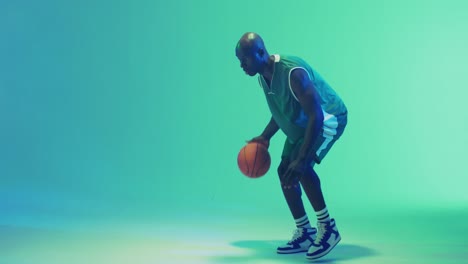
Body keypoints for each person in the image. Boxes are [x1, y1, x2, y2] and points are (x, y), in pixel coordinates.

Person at [235, 32, 348, 260]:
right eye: (239, 61)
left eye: (244, 59)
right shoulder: (262, 77)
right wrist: (265, 137)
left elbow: (316, 115)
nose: (241, 65)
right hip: (303, 121)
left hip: (327, 118)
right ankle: (305, 231)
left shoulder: (292, 73)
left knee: (302, 167)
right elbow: (281, 111)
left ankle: (328, 228)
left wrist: (302, 158)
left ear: (260, 53)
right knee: (285, 171)